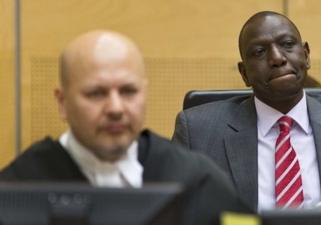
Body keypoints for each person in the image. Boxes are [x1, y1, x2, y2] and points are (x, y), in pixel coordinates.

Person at [0, 30, 249, 225]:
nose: (116, 108)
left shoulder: (196, 181)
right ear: (63, 102)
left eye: (128, 91)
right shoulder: (18, 186)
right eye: (96, 93)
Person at [172, 11, 321, 211]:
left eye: (287, 45)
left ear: (306, 55)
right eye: (259, 52)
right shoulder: (199, 132)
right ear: (244, 73)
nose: (277, 58)